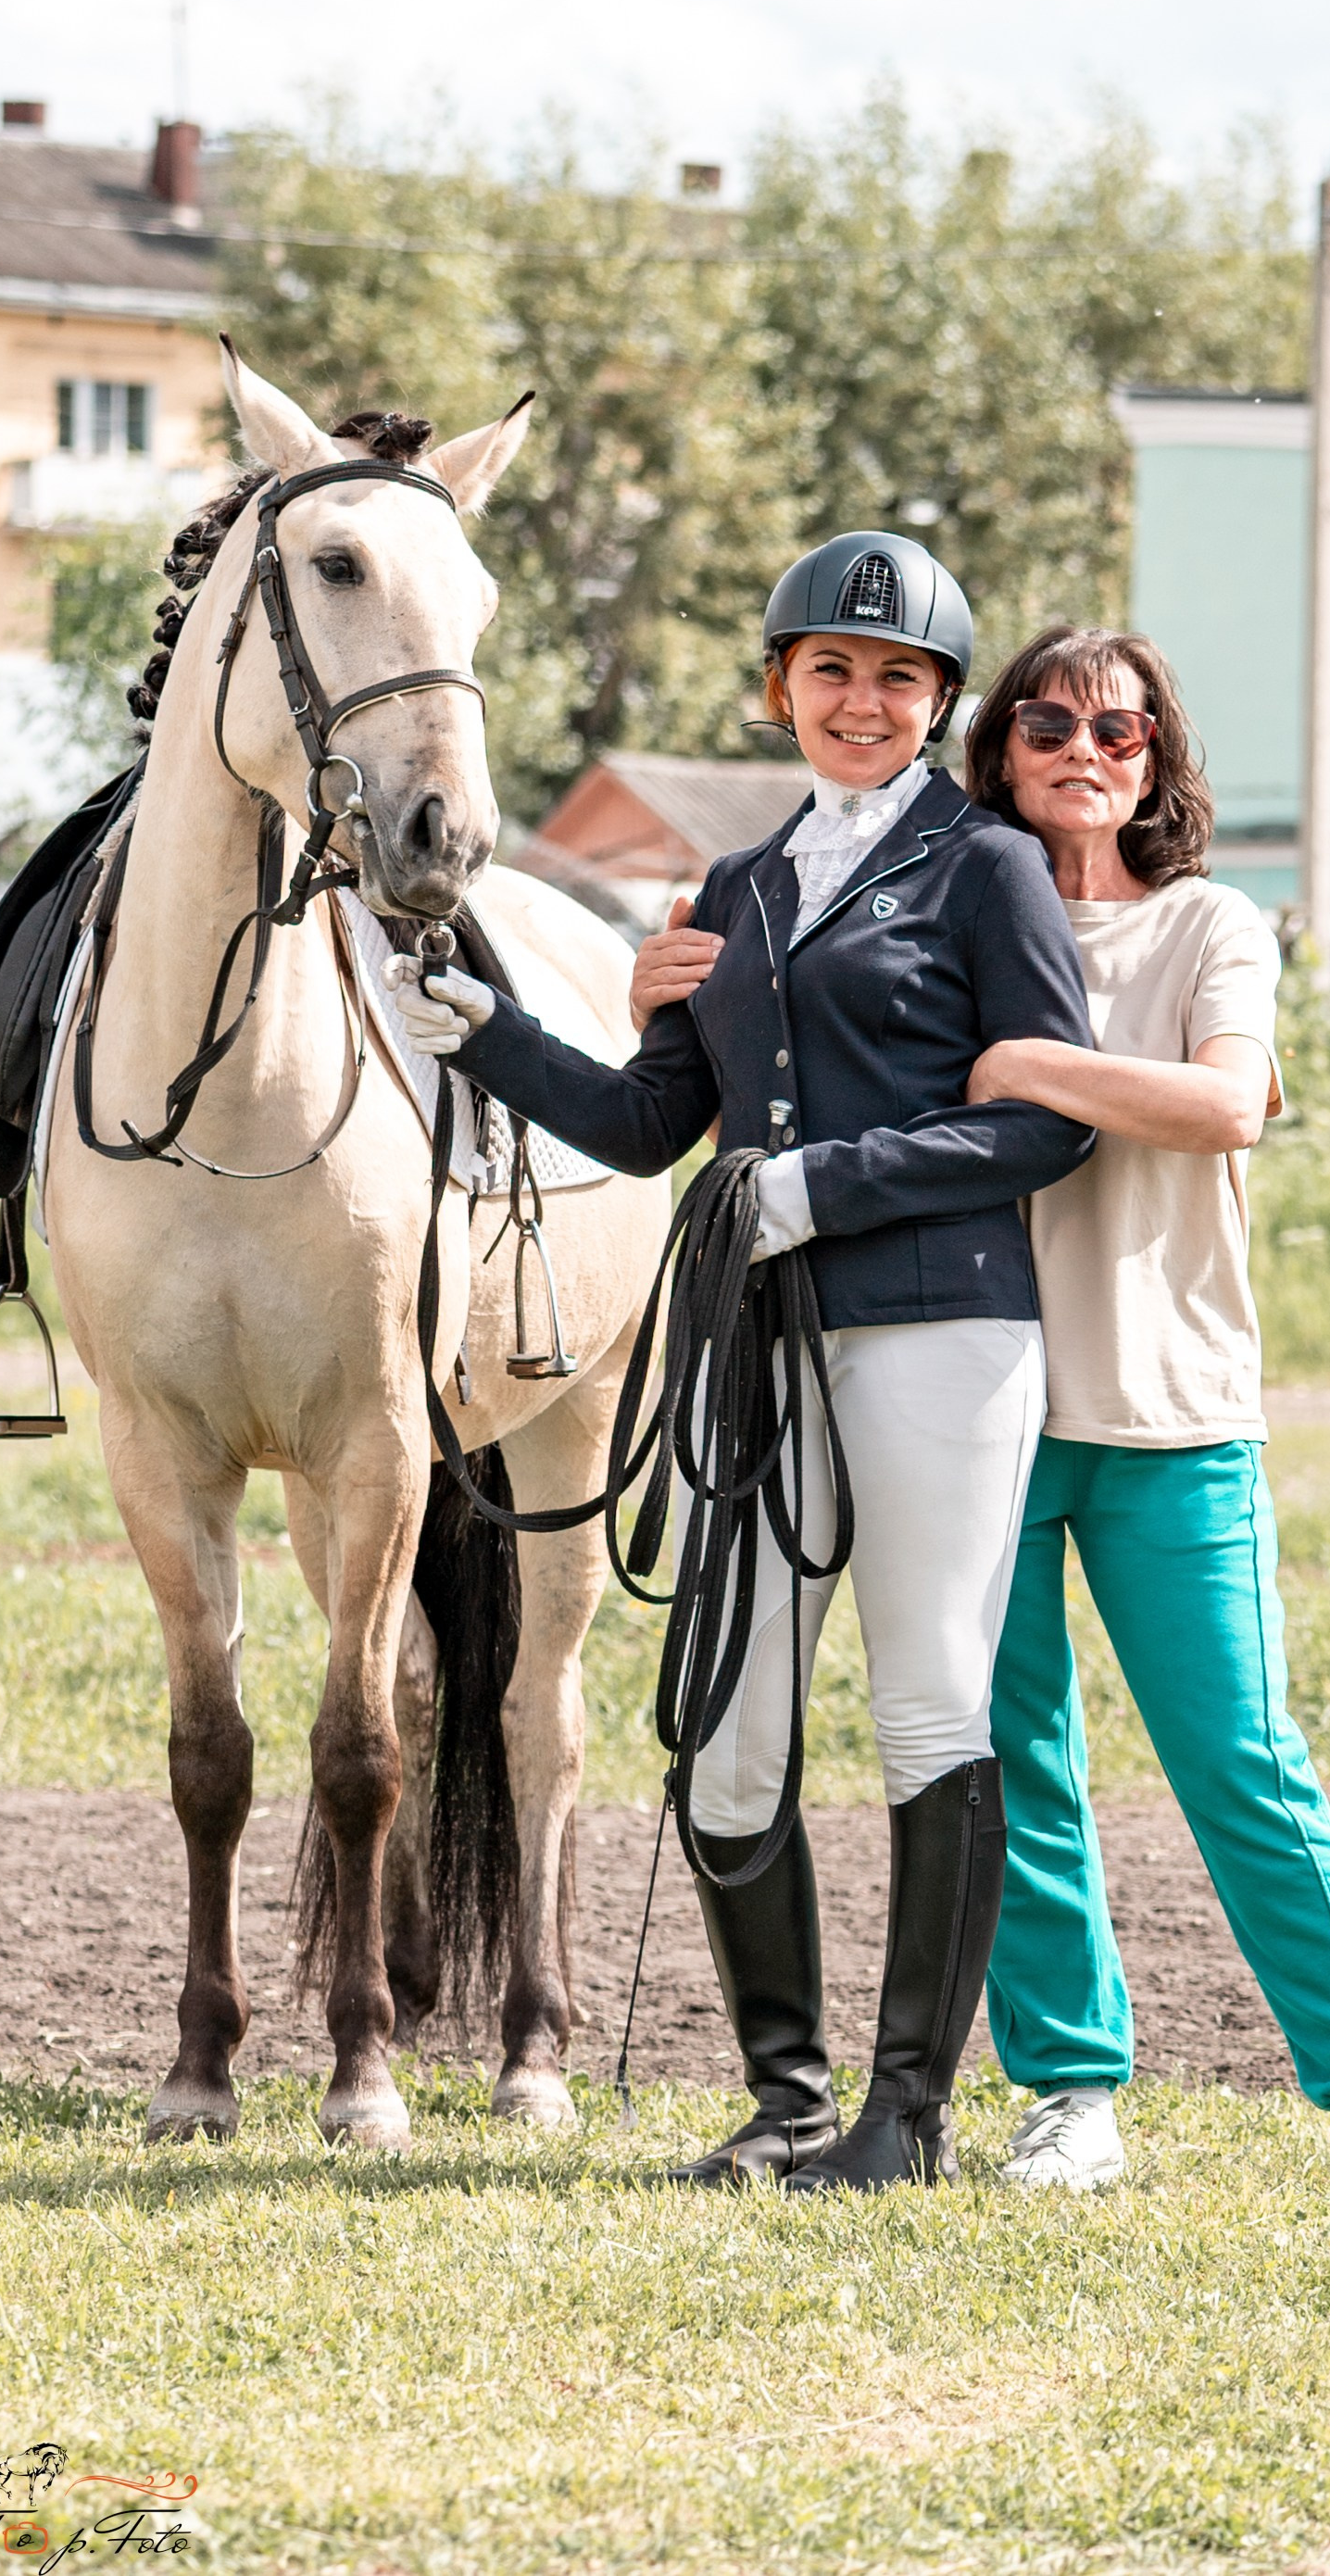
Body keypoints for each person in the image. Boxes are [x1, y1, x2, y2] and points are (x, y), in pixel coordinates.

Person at [385, 534, 1096, 2192]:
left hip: (938, 1322)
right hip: (761, 1335)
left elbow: (1045, 1118)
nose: (861, 701)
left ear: (936, 705)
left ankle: (903, 2116)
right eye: (830, 673)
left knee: (926, 1696)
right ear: (780, 689)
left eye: (897, 679)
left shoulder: (987, 871)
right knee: (724, 1718)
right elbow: (649, 1126)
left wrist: (817, 1185)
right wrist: (490, 1032)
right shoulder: (734, 892)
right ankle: (784, 2099)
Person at [947, 624, 1330, 2205]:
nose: (1082, 746)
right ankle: (1067, 2094)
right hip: (976, 1406)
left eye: (1118, 726)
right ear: (1002, 750)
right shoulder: (953, 915)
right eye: (1046, 721)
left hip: (1174, 1412)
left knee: (1240, 1759)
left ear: (1157, 755)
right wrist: (667, 965)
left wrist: (1028, 1061)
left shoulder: (1206, 924)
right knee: (1011, 1762)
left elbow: (1226, 1101)